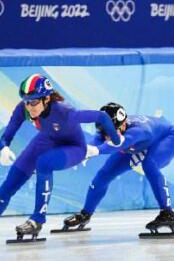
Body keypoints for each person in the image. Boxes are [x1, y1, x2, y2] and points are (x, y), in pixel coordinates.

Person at [0, 74, 120, 238]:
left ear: (46, 98)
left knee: (44, 163)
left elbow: (102, 116)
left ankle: (37, 220)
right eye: (26, 101)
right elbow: (7, 134)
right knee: (11, 181)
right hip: (47, 139)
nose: (29, 106)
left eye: (34, 101)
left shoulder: (65, 111)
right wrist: (3, 148)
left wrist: (116, 139)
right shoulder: (24, 108)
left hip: (73, 147)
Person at [62, 103, 174, 233]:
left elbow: (115, 145)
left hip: (167, 138)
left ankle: (167, 214)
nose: (108, 136)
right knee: (104, 174)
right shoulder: (106, 129)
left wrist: (95, 151)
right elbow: (93, 144)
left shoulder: (139, 130)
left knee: (149, 164)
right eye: (105, 132)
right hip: (136, 146)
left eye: (113, 132)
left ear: (124, 124)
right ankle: (85, 214)